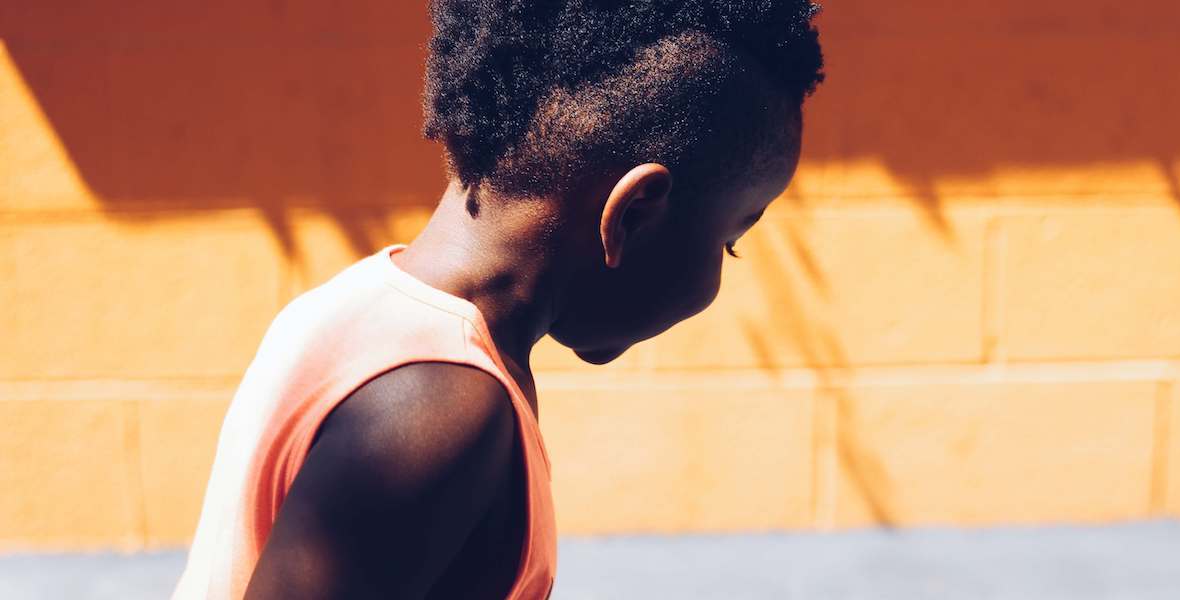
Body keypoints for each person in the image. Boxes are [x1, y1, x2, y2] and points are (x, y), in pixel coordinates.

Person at [173, 1, 824, 598]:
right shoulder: (440, 404)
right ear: (633, 215)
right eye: (731, 239)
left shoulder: (361, 307)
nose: (719, 276)